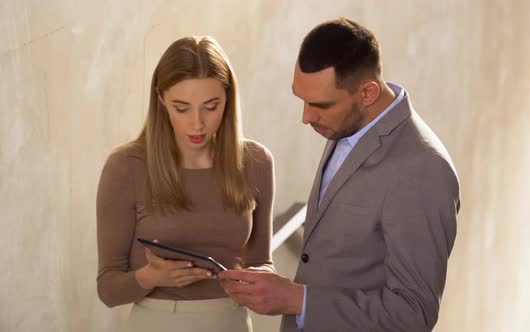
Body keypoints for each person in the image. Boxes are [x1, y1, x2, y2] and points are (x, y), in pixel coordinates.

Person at [219, 18, 460, 332]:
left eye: (319, 105)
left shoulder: (423, 169)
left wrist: (298, 300)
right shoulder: (346, 123)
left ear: (368, 93)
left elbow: (412, 314)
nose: (306, 117)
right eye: (301, 99)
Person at [96, 35, 275, 332]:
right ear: (161, 99)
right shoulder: (126, 166)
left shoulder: (256, 162)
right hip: (156, 322)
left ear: (228, 100)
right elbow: (108, 289)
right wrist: (150, 278)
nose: (197, 124)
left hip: (230, 320)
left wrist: (255, 280)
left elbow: (262, 262)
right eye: (182, 108)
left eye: (211, 106)